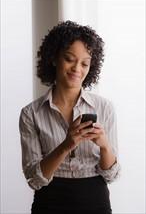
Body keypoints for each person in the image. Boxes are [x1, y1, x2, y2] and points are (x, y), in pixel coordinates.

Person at [19, 20, 121, 214]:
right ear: (54, 58)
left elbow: (111, 175)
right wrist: (66, 145)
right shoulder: (30, 113)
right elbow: (34, 179)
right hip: (50, 201)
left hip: (95, 201)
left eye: (85, 63)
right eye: (69, 58)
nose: (77, 69)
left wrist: (105, 145)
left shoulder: (105, 107)